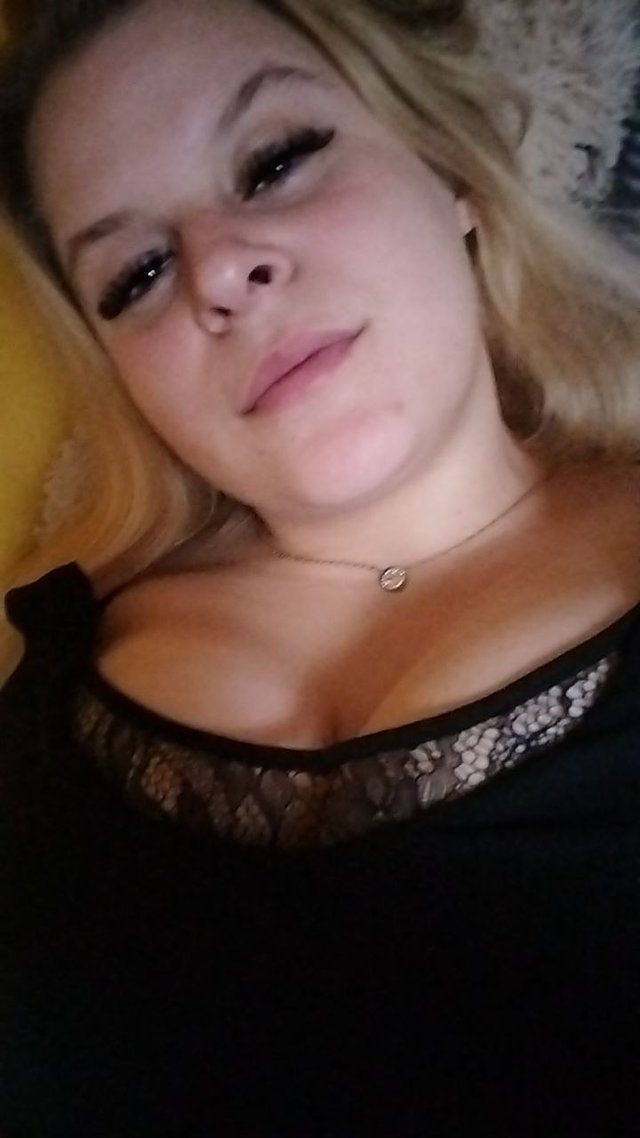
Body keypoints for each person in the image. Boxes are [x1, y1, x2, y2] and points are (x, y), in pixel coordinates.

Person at [1, 0, 639, 1135]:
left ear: (448, 169)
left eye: (275, 161)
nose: (216, 272)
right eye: (136, 272)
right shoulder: (50, 656)